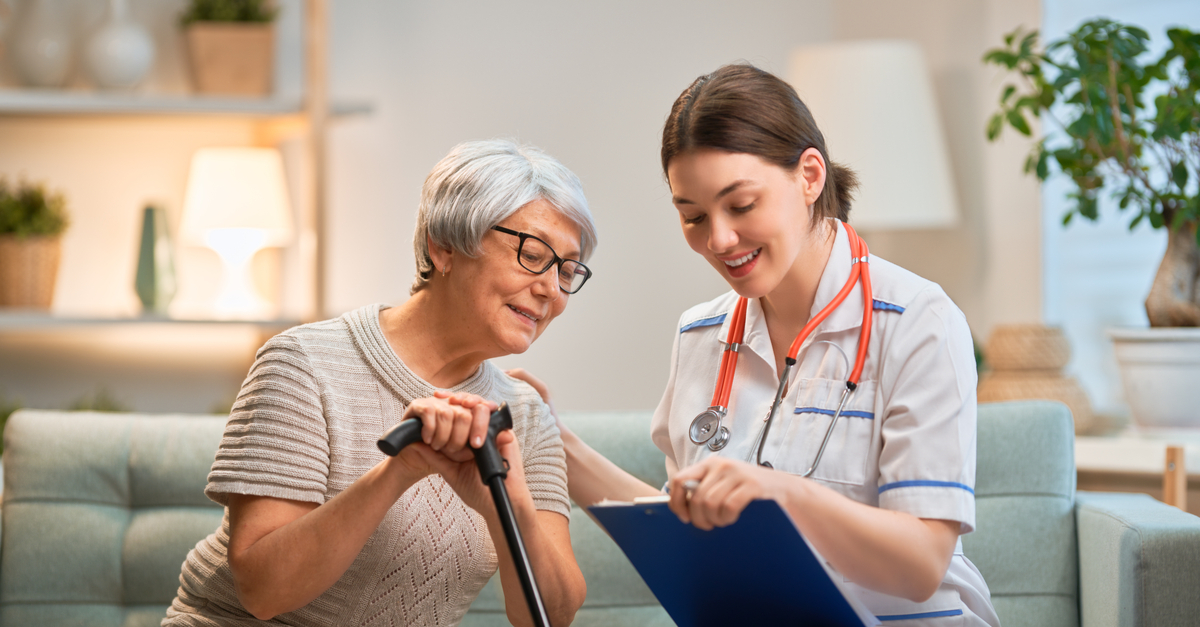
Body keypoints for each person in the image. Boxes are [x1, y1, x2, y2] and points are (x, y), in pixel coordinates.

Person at [511, 64, 1001, 625]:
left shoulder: (919, 322)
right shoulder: (700, 334)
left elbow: (920, 567)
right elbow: (690, 530)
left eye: (741, 205)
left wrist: (781, 496)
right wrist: (550, 439)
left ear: (810, 176)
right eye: (692, 216)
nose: (718, 239)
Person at [164, 139, 593, 627]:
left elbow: (553, 618)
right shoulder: (304, 363)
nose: (551, 290)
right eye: (533, 254)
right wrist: (399, 470)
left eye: (567, 269)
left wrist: (509, 500)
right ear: (444, 246)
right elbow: (264, 592)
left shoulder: (525, 415)